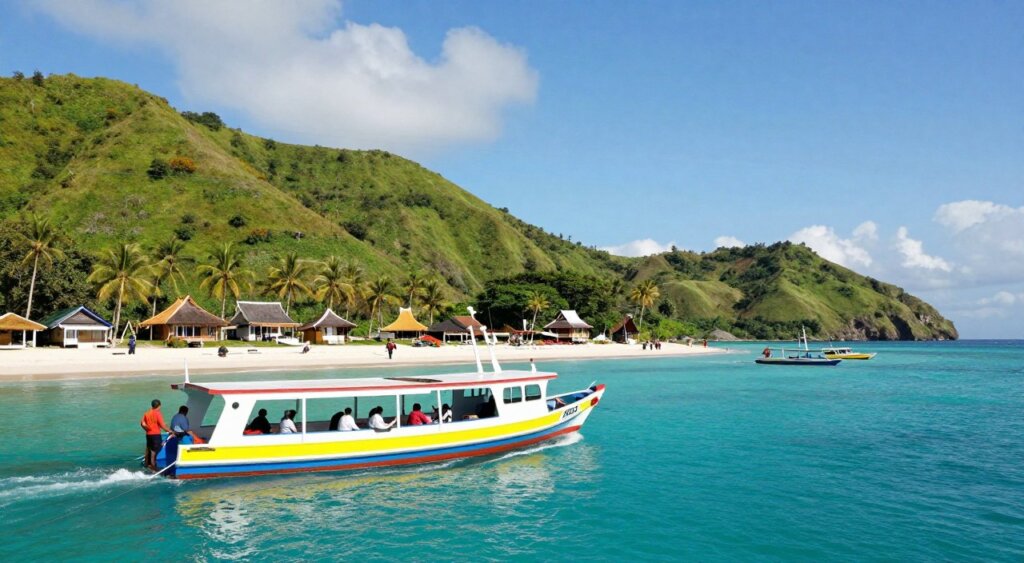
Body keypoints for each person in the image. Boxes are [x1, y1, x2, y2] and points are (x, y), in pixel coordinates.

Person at [140, 399, 172, 471]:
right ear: (159, 405)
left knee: (150, 449)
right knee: (155, 450)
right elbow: (162, 425)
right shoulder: (157, 413)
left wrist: (147, 430)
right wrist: (170, 431)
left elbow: (142, 423)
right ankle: (153, 467)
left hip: (148, 435)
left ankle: (147, 464)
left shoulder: (147, 413)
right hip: (156, 435)